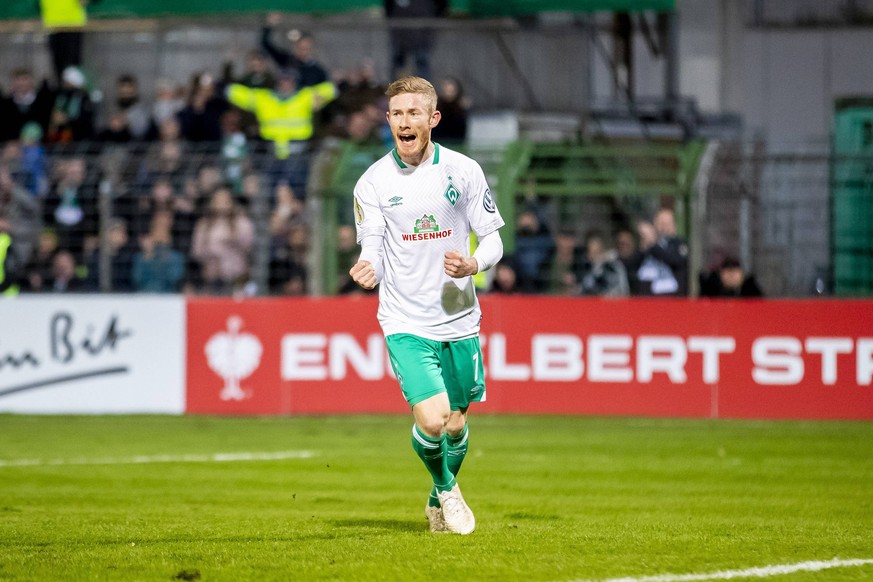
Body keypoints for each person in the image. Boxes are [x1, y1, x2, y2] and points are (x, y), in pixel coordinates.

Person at [349, 76, 504, 535]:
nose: (404, 121)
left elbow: (494, 236)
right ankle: (449, 491)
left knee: (455, 426)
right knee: (432, 419)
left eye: (413, 113)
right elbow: (372, 240)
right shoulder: (372, 181)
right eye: (396, 113)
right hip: (405, 319)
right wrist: (367, 265)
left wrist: (474, 262)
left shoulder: (463, 171)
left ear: (433, 119)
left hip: (458, 314)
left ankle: (437, 493)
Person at [384, 0, 448, 81]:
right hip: (399, 34)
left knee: (422, 67)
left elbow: (442, 7)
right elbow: (388, 8)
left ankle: (423, 91)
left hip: (423, 34)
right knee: (398, 68)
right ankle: (396, 91)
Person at [577, 230, 629, 297]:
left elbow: (623, 291)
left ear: (602, 250)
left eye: (596, 252)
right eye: (591, 252)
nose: (593, 256)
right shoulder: (585, 268)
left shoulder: (614, 268)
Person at [699, 256, 764, 298]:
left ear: (742, 274)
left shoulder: (751, 292)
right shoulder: (711, 293)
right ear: (721, 274)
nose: (731, 276)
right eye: (728, 272)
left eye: (734, 272)